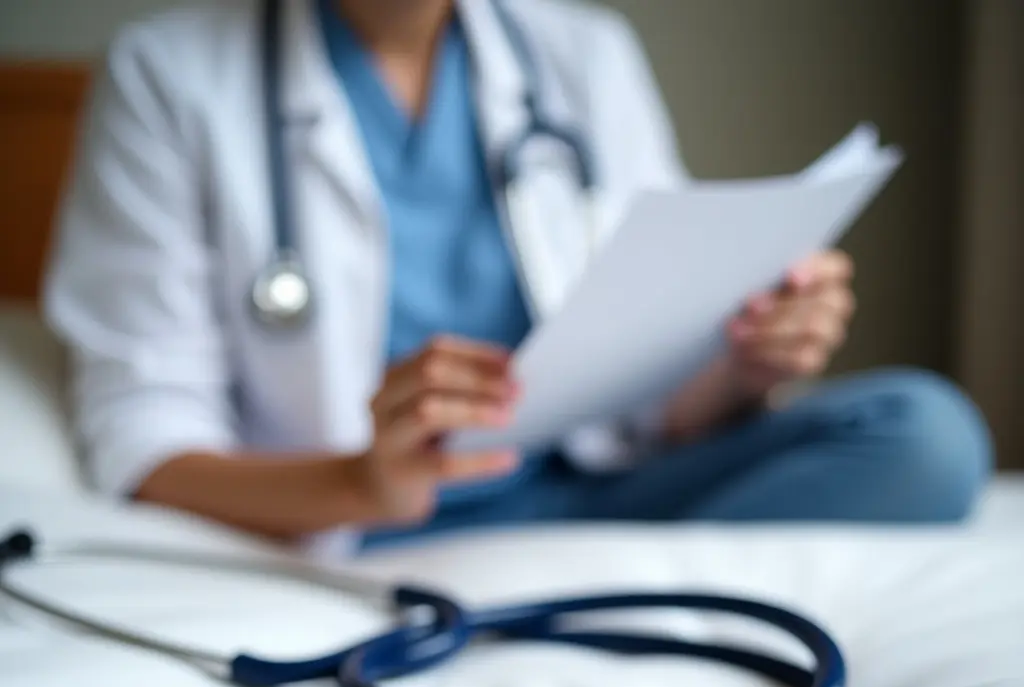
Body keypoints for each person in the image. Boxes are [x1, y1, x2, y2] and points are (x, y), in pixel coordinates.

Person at [45, 0, 992, 557]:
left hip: (590, 504)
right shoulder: (167, 78)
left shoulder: (582, 53)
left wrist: (750, 357)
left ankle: (584, 596)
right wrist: (362, 482)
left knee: (926, 435)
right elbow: (145, 451)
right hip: (363, 537)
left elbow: (656, 390)